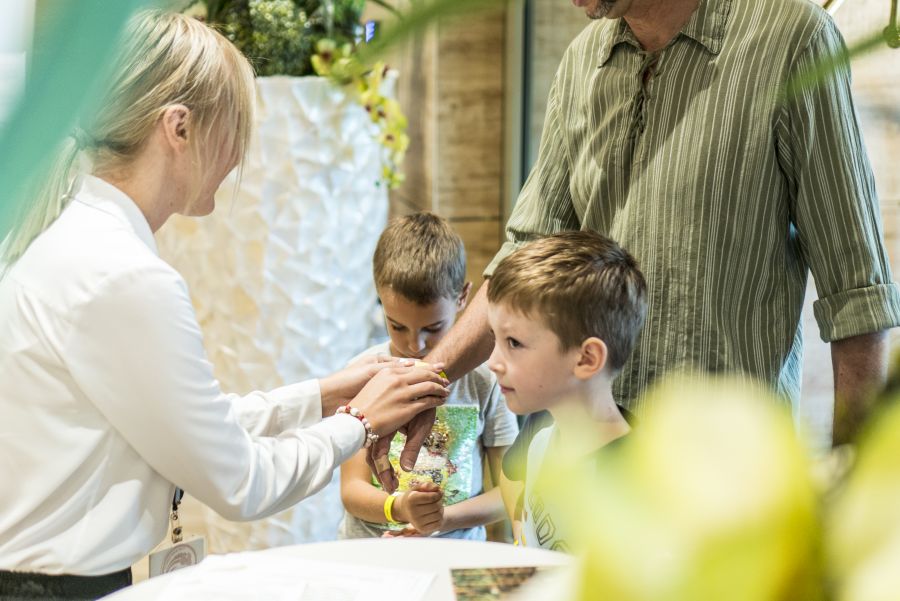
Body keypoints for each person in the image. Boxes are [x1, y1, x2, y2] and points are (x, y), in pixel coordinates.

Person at [0, 11, 447, 598]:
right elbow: (242, 481)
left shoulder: (76, 234)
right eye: (235, 127)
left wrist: (324, 394)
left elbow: (196, 426)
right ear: (178, 128)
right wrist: (359, 421)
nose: (240, 155)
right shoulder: (126, 277)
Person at [369, 0, 900, 491]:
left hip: (725, 477)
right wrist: (427, 386)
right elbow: (524, 252)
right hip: (590, 473)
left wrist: (854, 499)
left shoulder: (790, 38)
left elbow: (857, 296)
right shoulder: (583, 61)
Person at [339, 213, 518, 540]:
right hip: (371, 558)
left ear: (463, 298)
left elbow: (510, 492)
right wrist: (400, 508)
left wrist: (441, 519)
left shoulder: (487, 380)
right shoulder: (360, 377)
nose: (414, 344)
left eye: (433, 328)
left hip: (456, 558)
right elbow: (352, 490)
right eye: (396, 325)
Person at [487, 230, 646, 550]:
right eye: (496, 339)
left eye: (514, 343)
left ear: (586, 358)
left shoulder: (634, 481)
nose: (493, 362)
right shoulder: (541, 442)